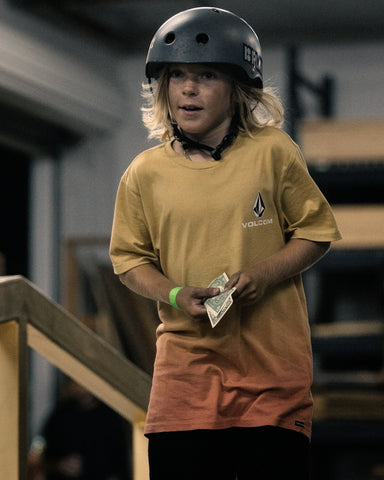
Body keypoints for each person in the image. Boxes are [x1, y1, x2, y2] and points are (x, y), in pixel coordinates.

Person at [109, 7, 341, 480]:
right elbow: (130, 261)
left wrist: (263, 273)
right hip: (185, 380)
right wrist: (174, 294)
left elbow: (316, 233)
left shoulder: (273, 152)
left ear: (237, 88)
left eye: (206, 75)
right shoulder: (144, 174)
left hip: (272, 378)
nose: (188, 89)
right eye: (177, 76)